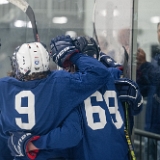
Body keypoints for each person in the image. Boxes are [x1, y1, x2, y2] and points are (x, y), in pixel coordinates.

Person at [9, 36, 143, 160]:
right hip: (119, 153)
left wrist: (31, 144)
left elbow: (68, 135)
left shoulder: (70, 86)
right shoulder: (112, 76)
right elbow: (135, 109)